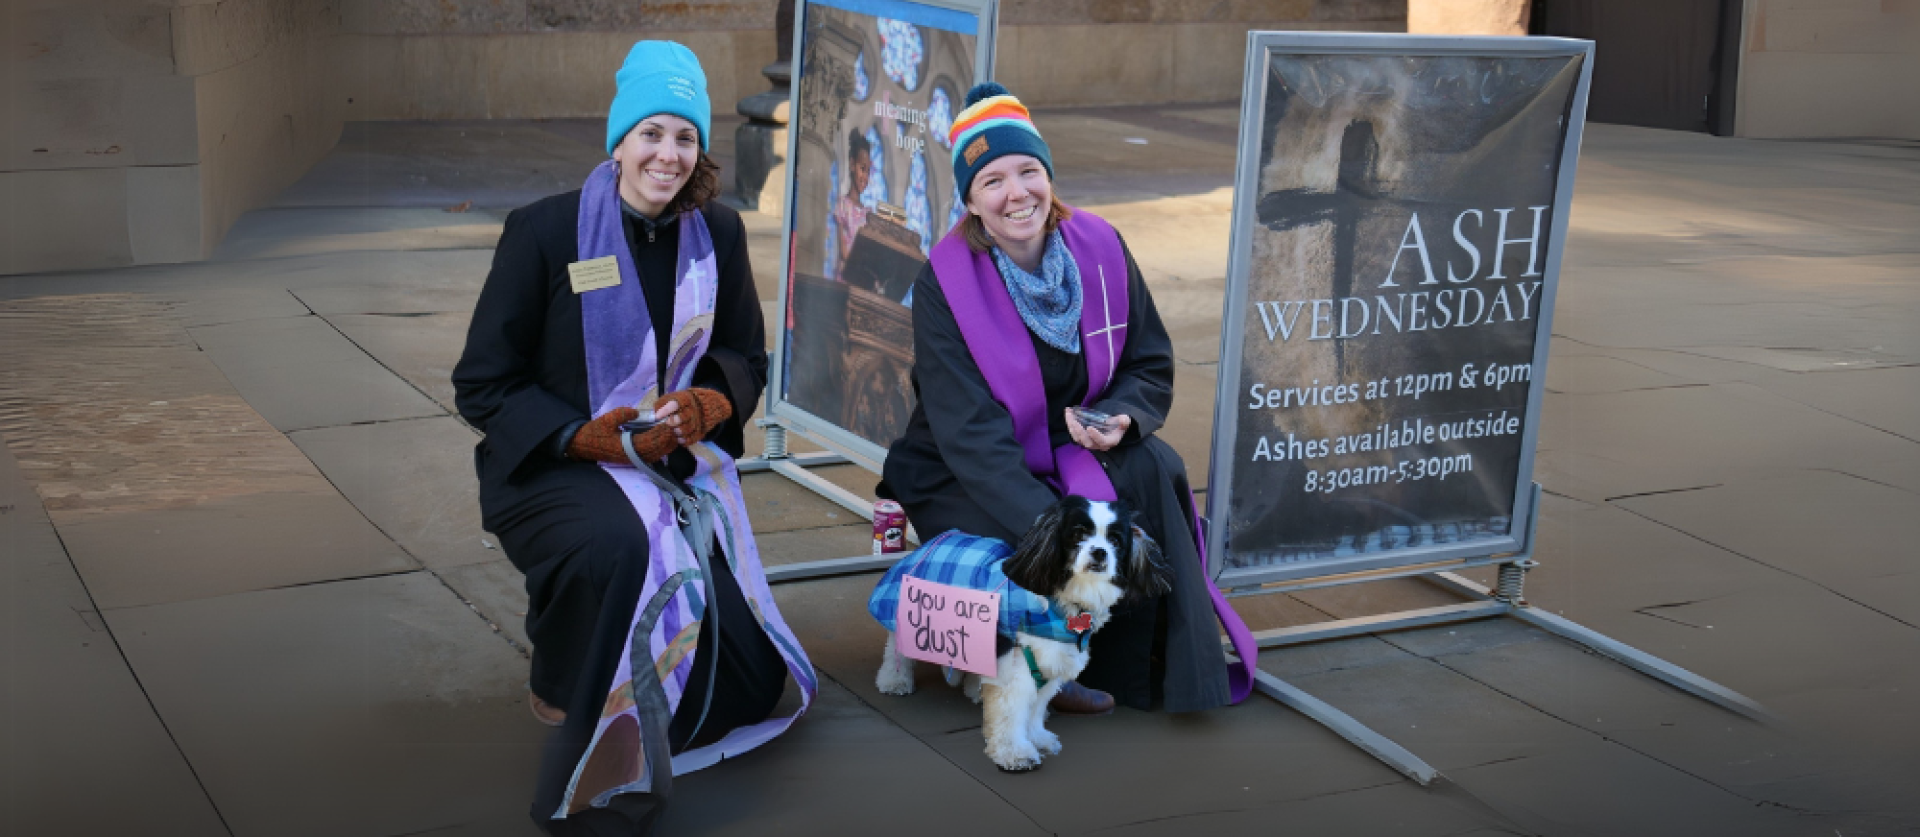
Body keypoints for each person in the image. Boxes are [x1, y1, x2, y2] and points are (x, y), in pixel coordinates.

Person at [453, 40, 814, 835]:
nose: (668, 154)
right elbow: (481, 383)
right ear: (618, 140)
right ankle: (574, 702)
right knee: (615, 546)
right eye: (651, 133)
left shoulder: (716, 232)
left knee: (747, 682)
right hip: (552, 465)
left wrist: (711, 408)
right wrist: (583, 438)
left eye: (684, 136)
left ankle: (591, 671)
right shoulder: (545, 233)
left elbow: (747, 357)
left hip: (670, 464)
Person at [879, 82, 1256, 715]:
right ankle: (1058, 663)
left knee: (1152, 466)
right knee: (1068, 526)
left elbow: (1149, 360)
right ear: (970, 201)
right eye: (992, 180)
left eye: (1028, 170)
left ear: (1048, 176)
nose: (1016, 192)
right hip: (960, 465)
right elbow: (969, 431)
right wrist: (1054, 530)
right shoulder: (944, 281)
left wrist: (1122, 418)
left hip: (1066, 444)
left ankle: (1158, 667)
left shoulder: (1101, 249)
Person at [831, 128, 873, 280]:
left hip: (862, 280)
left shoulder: (869, 213)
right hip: (846, 278)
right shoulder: (842, 206)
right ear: (852, 165)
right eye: (863, 169)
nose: (865, 177)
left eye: (868, 171)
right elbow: (843, 251)